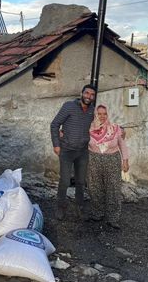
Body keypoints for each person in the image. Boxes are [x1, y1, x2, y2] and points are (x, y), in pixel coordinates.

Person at [50, 85, 96, 220]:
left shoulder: (92, 111)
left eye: (92, 94)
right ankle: (61, 206)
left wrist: (121, 129)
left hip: (82, 151)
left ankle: (80, 207)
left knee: (81, 182)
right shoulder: (69, 106)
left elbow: (102, 124)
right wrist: (56, 144)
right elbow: (54, 124)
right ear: (81, 93)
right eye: (87, 93)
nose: (89, 96)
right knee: (64, 181)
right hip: (67, 150)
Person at [87, 104, 130, 229]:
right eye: (99, 113)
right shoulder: (88, 129)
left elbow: (122, 145)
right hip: (93, 160)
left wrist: (125, 161)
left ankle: (113, 218)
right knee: (94, 188)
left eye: (104, 114)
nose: (102, 116)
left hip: (112, 160)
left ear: (107, 115)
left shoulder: (116, 129)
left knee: (113, 188)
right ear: (95, 115)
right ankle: (97, 214)